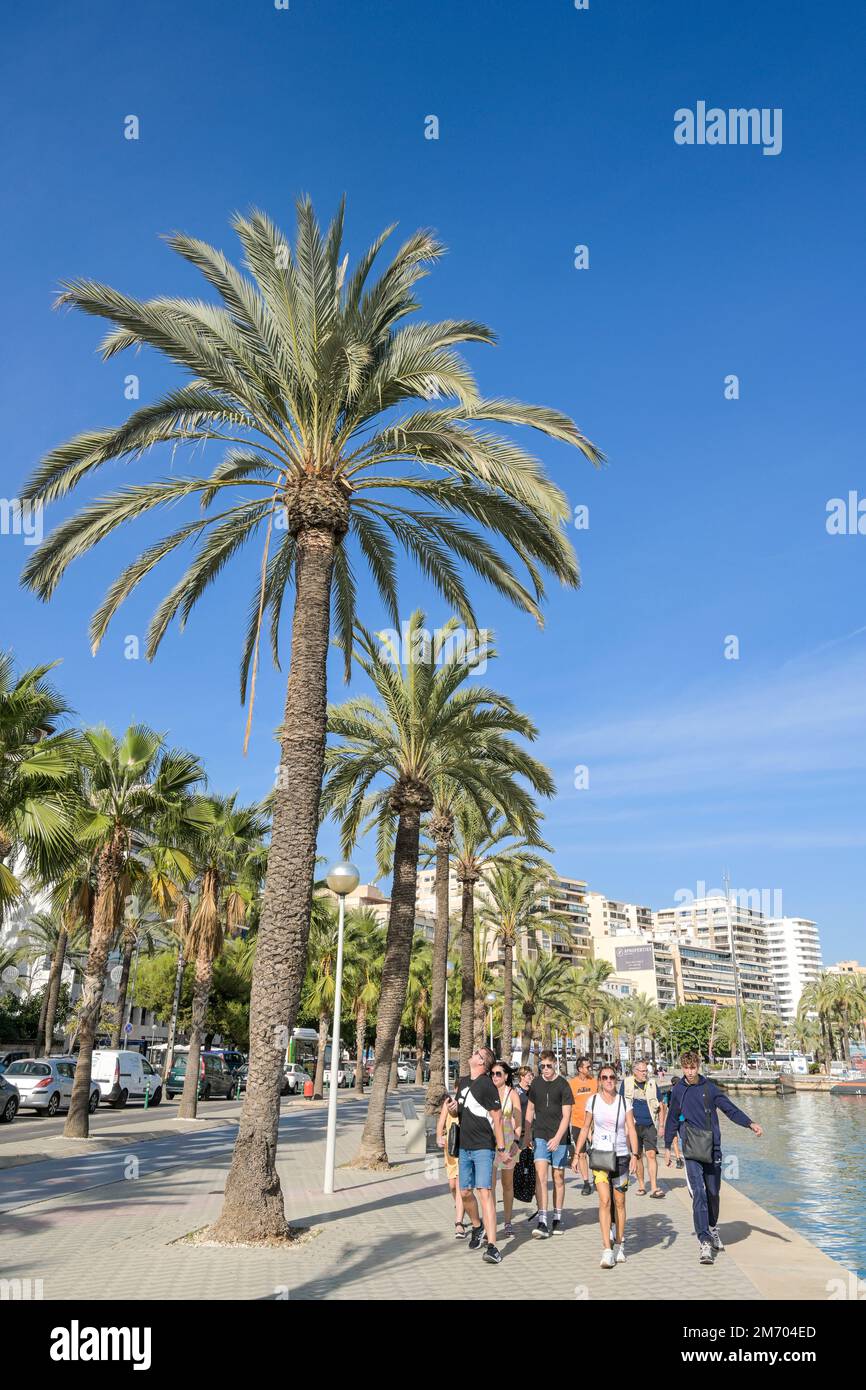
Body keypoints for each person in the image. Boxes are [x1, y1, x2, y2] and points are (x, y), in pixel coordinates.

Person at [664, 1051, 763, 1265]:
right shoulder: (679, 1090)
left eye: (693, 1067)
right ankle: (705, 1241)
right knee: (698, 1193)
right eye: (686, 1068)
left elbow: (730, 1109)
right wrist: (666, 1146)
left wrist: (750, 1123)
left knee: (713, 1193)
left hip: (713, 1149)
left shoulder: (709, 1088)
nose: (690, 1072)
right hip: (691, 1150)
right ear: (682, 1068)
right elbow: (672, 1118)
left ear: (698, 1066)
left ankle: (712, 1227)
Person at [572, 1063, 638, 1268]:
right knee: (604, 1200)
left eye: (612, 1077)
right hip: (600, 1156)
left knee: (619, 1202)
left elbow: (631, 1129)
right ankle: (607, 1249)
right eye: (604, 1077)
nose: (608, 1081)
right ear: (599, 1081)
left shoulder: (624, 1103)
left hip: (620, 1157)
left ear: (616, 1080)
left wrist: (635, 1154)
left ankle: (619, 1245)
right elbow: (585, 1128)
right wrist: (577, 1154)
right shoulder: (593, 1101)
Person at [449, 1046, 507, 1265]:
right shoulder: (463, 1082)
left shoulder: (487, 1085)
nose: (472, 1054)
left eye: (477, 1053)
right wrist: (454, 1108)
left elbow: (498, 1117)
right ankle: (477, 1226)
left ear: (482, 1063)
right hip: (464, 1146)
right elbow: (458, 1112)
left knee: (485, 1193)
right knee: (464, 1193)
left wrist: (501, 1148)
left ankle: (492, 1247)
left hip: (483, 1147)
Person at [524, 1049, 573, 1237]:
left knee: (558, 1177)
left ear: (555, 1065)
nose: (545, 1069)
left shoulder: (563, 1085)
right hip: (540, 1136)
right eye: (542, 1066)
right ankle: (542, 1220)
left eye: (548, 1066)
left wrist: (558, 1138)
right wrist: (528, 1134)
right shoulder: (535, 1084)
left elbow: (567, 1115)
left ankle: (557, 1217)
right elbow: (529, 1110)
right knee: (540, 1176)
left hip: (559, 1137)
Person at [623, 1059, 666, 1198]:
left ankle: (654, 1187)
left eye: (645, 1070)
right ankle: (642, 1186)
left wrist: (661, 1125)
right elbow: (620, 1103)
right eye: (642, 1071)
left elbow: (661, 1105)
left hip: (650, 1124)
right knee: (638, 1156)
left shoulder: (652, 1084)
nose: (644, 1073)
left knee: (651, 1154)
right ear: (635, 1072)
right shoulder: (627, 1083)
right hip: (633, 1126)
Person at [490, 1059, 522, 1238]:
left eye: (498, 1074)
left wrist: (517, 1141)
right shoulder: (487, 1092)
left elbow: (518, 1119)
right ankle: (492, 1221)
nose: (494, 1077)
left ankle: (508, 1221)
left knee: (507, 1184)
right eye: (492, 1074)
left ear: (506, 1076)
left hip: (509, 1142)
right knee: (490, 1184)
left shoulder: (513, 1094)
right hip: (490, 1142)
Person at [436, 1085, 467, 1238]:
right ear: (456, 1088)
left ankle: (459, 1222)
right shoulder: (448, 1102)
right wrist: (438, 1137)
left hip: (465, 1148)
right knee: (452, 1185)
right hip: (451, 1148)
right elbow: (441, 1123)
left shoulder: (469, 1102)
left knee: (461, 1184)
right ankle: (461, 1205)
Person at [567, 1056, 597, 1196]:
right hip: (578, 1124)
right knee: (582, 1154)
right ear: (580, 1069)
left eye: (590, 1066)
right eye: (587, 1067)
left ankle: (598, 1178)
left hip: (594, 1124)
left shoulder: (595, 1082)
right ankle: (586, 1182)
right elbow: (567, 1105)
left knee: (597, 1153)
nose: (590, 1069)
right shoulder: (571, 1084)